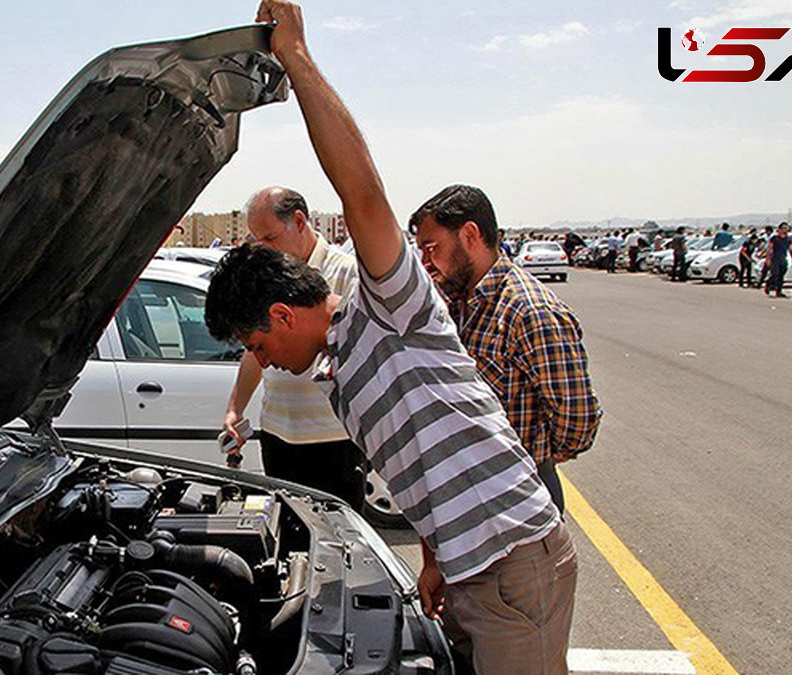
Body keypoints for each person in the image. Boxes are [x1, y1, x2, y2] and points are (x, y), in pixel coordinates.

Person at [206, 4, 576, 672]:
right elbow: (429, 467)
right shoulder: (339, 375)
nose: (263, 363)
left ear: (283, 316)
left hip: (513, 564)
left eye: (258, 346)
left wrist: (296, 56)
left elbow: (362, 193)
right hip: (471, 568)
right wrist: (434, 555)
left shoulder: (387, 303)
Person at [411, 185, 601, 513]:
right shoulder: (457, 302)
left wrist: (530, 457)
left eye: (431, 248)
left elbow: (577, 421)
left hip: (520, 495)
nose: (425, 262)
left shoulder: (530, 312)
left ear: (470, 235)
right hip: (468, 487)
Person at [221, 186, 362, 507]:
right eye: (257, 241)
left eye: (269, 239)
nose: (264, 249)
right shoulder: (266, 279)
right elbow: (254, 350)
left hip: (333, 439)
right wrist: (235, 409)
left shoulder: (346, 273)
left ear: (299, 221)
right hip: (278, 433)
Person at [765, 222, 792, 297]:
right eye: (783, 228)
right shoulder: (774, 238)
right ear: (779, 229)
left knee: (781, 275)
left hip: (783, 258)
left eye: (786, 228)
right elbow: (769, 249)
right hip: (775, 258)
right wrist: (768, 258)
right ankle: (768, 284)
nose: (785, 230)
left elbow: (790, 249)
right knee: (775, 274)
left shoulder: (788, 239)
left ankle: (779, 291)